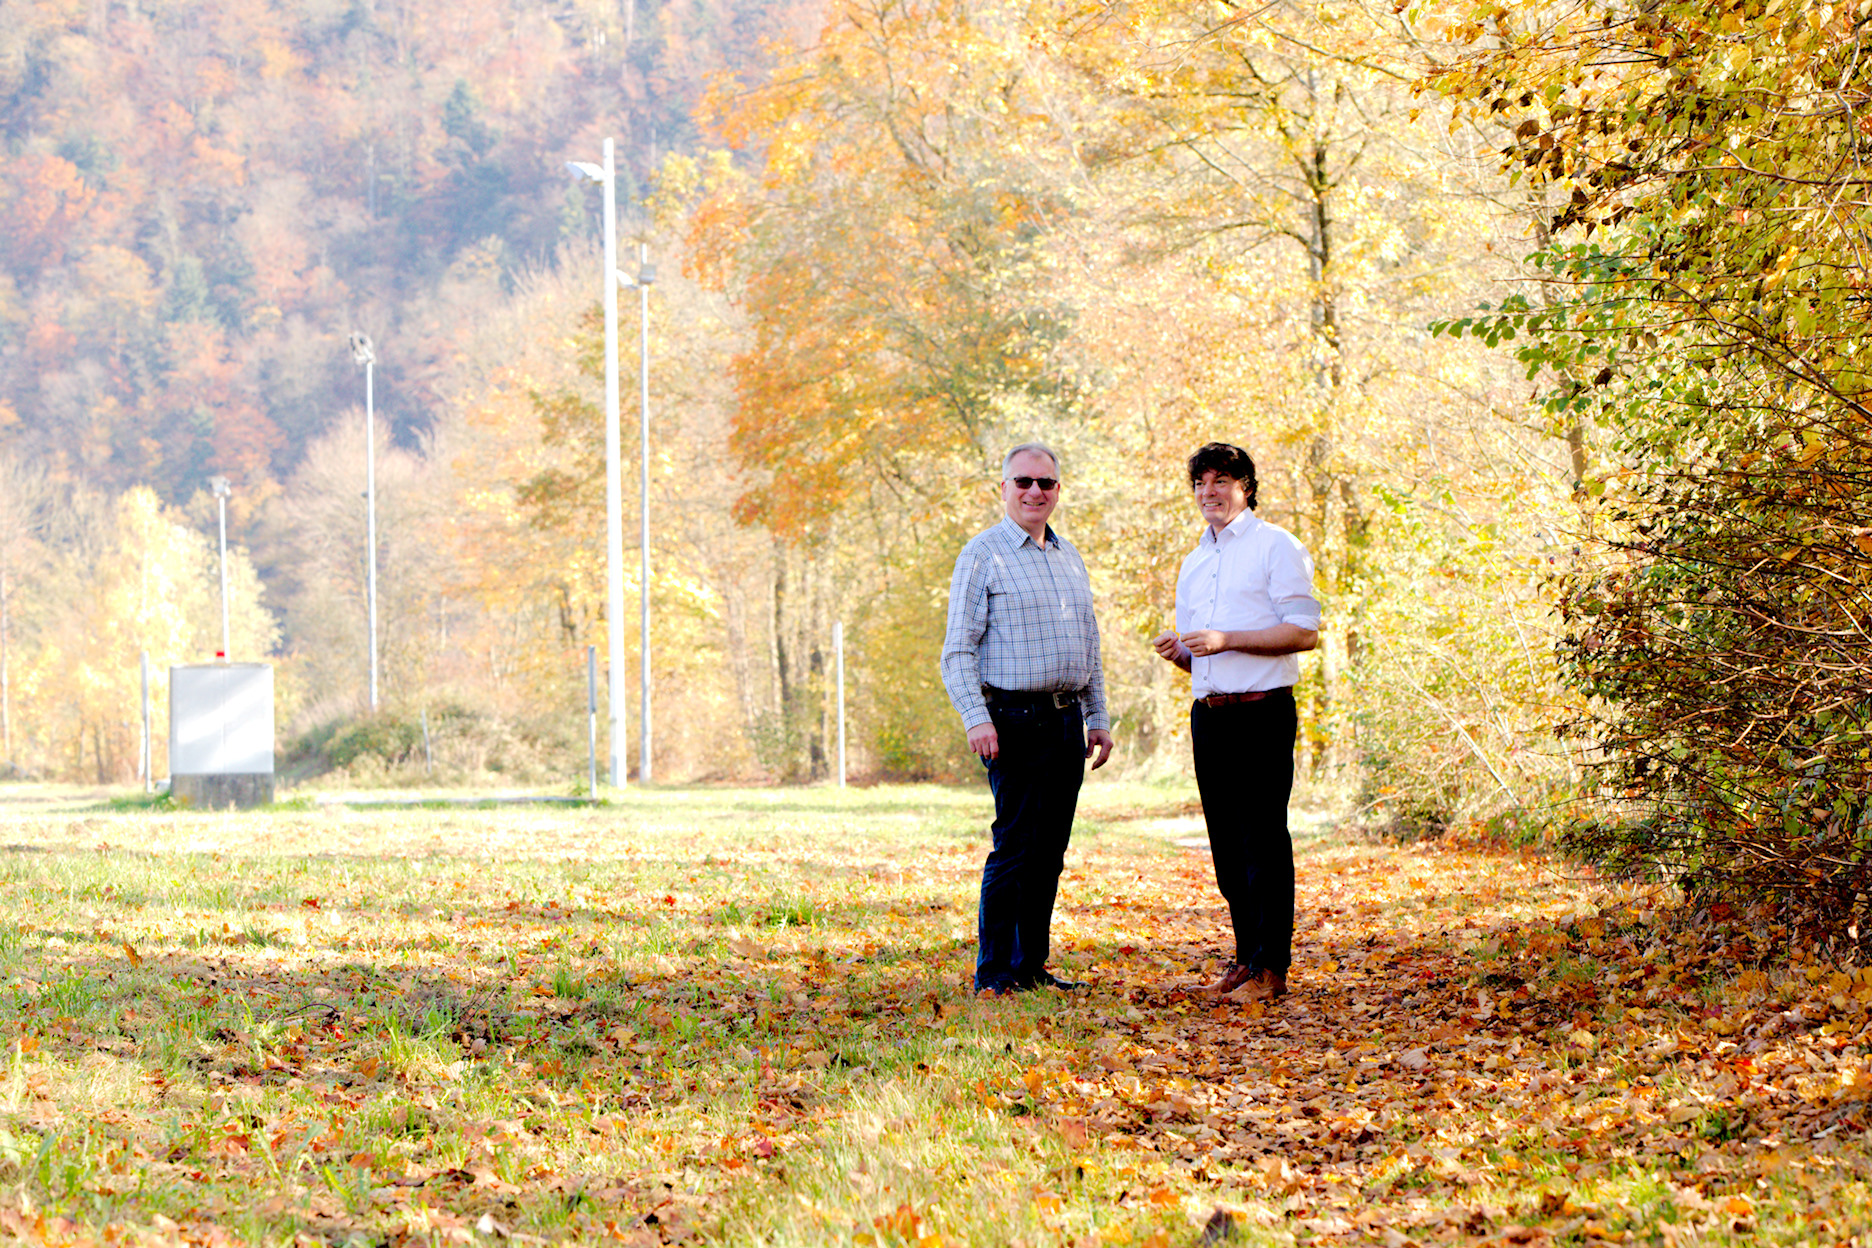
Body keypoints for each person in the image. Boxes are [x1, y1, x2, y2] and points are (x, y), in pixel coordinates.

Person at [941, 442, 1116, 996]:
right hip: (1010, 721)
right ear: (1004, 489)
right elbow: (958, 650)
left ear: (1058, 490)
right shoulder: (982, 554)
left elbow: (1088, 643)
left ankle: (1030, 966)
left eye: (1046, 483)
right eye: (1023, 482)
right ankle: (993, 972)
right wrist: (976, 718)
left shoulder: (1069, 557)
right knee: (1015, 846)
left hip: (1066, 723)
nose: (1035, 491)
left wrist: (1098, 716)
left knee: (1050, 851)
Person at [1151, 442, 1319, 999]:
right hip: (1211, 717)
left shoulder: (1277, 546)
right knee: (1225, 845)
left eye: (1221, 481)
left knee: (1263, 841)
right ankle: (1247, 959)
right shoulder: (1194, 562)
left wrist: (1227, 640)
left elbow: (1303, 632)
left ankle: (1273, 968)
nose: (1209, 493)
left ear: (1245, 487)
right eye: (1200, 484)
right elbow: (1206, 659)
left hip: (1262, 713)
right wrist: (1184, 656)